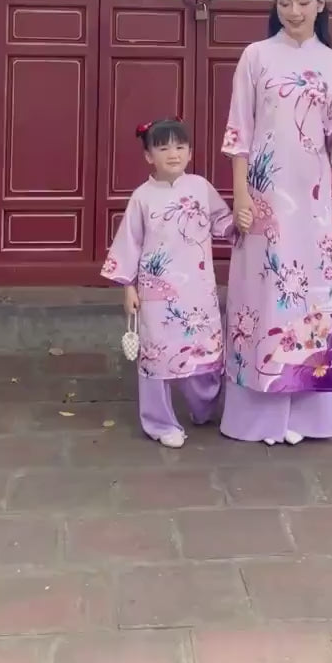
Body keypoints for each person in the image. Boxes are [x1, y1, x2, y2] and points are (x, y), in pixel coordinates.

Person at [220, 0, 332, 446]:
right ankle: (257, 418)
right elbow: (238, 132)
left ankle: (306, 417)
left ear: (321, 5)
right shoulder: (256, 57)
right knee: (261, 297)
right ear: (274, 6)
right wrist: (240, 195)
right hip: (263, 195)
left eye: (304, 2)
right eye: (285, 2)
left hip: (311, 201)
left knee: (311, 295)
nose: (294, 11)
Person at [101, 118, 234, 449]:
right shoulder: (142, 197)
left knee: (204, 354)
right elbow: (128, 244)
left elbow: (223, 222)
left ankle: (204, 408)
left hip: (199, 291)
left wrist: (246, 218)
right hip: (156, 292)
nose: (173, 154)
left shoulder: (201, 187)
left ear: (189, 151)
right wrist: (128, 287)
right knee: (158, 355)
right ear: (149, 156)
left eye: (180, 146)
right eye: (163, 148)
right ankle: (159, 422)